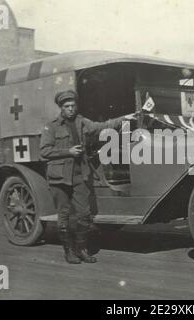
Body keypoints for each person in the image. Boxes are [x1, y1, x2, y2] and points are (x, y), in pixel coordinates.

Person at [40, 90, 136, 264]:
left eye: (73, 106)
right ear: (61, 108)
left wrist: (125, 118)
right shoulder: (51, 126)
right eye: (67, 106)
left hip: (80, 175)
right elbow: (44, 151)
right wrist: (67, 152)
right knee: (64, 215)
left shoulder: (82, 122)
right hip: (59, 177)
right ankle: (68, 252)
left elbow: (104, 125)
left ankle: (81, 249)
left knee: (85, 214)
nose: (70, 109)